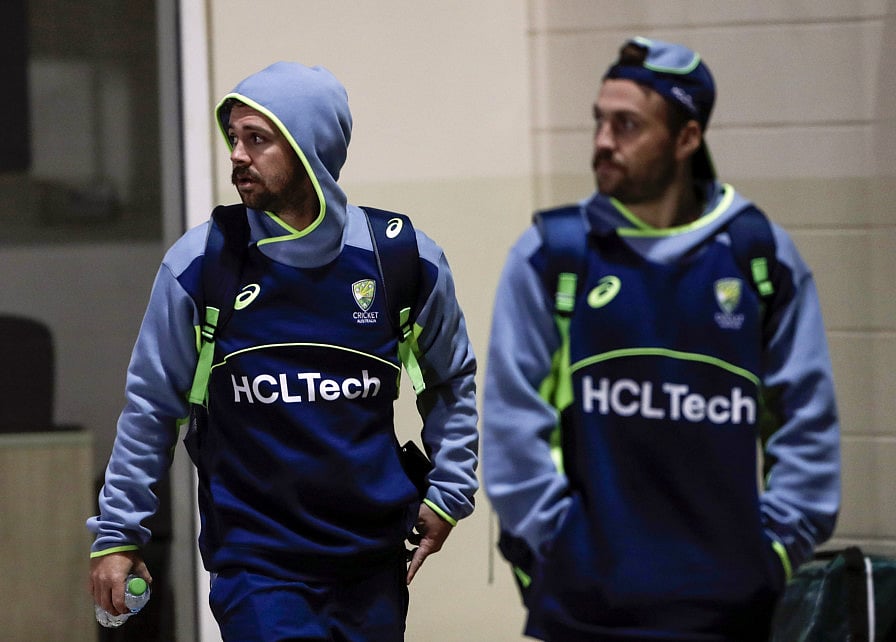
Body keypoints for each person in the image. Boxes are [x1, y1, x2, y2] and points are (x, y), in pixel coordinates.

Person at [87, 62, 479, 641]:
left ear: (310, 148)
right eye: (235, 138)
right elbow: (151, 408)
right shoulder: (202, 264)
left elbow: (450, 381)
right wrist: (119, 533)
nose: (237, 155)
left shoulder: (401, 259)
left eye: (258, 139)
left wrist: (448, 495)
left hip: (372, 560)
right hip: (258, 565)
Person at [482, 37, 840, 642]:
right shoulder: (554, 256)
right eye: (599, 120)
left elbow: (806, 422)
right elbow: (512, 423)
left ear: (686, 140)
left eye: (627, 125)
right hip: (585, 612)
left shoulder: (760, 258)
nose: (602, 141)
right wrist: (564, 548)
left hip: (726, 614)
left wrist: (773, 552)